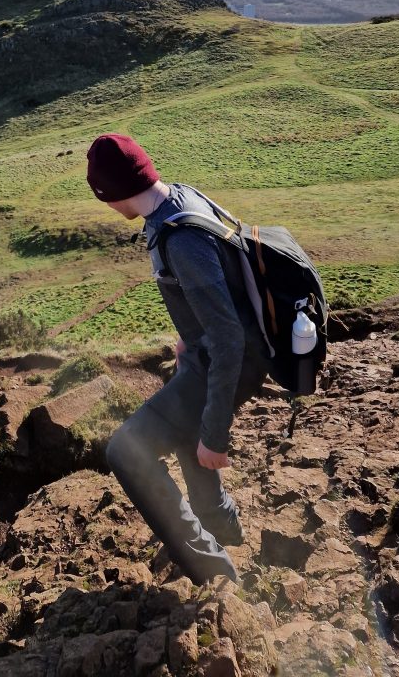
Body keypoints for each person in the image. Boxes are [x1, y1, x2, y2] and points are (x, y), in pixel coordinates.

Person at [86, 132, 268, 585]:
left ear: (112, 193)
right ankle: (224, 529)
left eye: (103, 198)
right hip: (210, 355)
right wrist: (189, 336)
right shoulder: (176, 199)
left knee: (126, 451)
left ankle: (214, 573)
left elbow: (228, 340)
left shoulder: (180, 240)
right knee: (184, 435)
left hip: (230, 362)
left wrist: (215, 434)